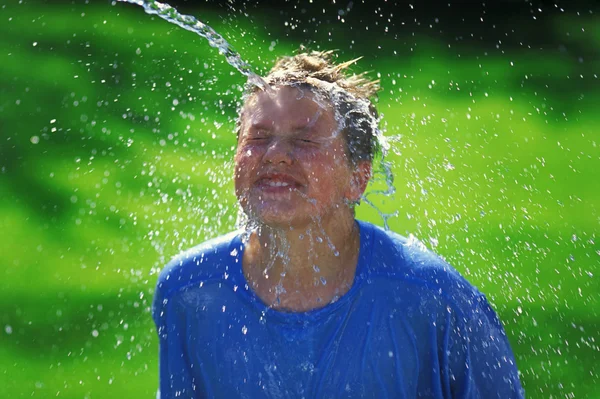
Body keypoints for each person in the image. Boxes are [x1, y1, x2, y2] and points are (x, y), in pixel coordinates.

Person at [152, 50, 525, 398]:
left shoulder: (432, 300)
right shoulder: (190, 291)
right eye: (259, 137)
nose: (276, 154)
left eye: (305, 140)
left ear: (358, 178)